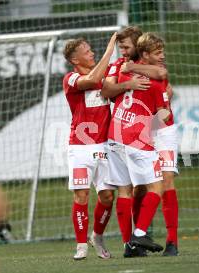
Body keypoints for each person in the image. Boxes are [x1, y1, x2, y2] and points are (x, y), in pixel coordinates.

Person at [62, 33, 146, 260]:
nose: (92, 53)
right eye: (87, 51)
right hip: (79, 148)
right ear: (75, 60)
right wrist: (110, 49)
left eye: (92, 50)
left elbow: (119, 90)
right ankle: (81, 245)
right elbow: (90, 80)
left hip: (104, 146)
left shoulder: (104, 78)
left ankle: (97, 236)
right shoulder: (70, 79)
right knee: (81, 196)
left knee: (107, 197)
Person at [101, 26, 169, 258]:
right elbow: (164, 113)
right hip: (136, 139)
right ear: (146, 53)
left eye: (126, 46)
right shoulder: (155, 77)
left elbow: (109, 88)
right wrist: (153, 125)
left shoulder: (123, 70)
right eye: (158, 52)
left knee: (124, 190)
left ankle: (130, 247)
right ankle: (139, 233)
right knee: (156, 186)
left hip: (114, 134)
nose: (162, 56)